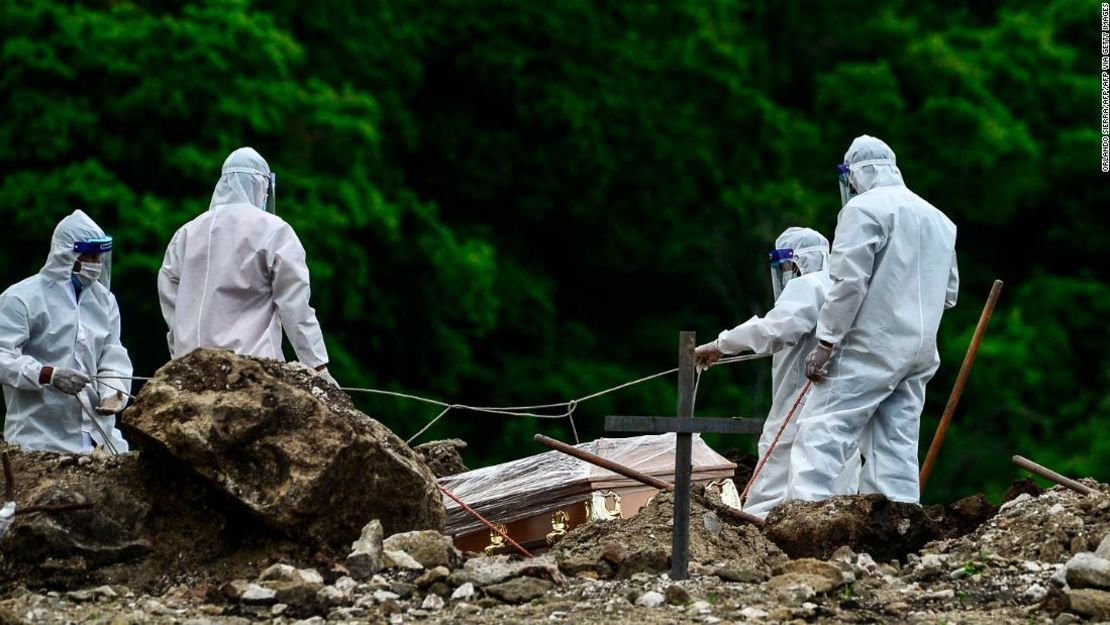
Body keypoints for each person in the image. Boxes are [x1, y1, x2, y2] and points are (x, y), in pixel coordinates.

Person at [787, 134, 959, 505]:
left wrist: (827, 341)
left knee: (822, 433)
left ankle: (803, 532)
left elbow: (848, 282)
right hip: (920, 351)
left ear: (854, 174)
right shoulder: (940, 220)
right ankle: (895, 536)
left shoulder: (863, 210)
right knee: (895, 447)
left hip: (870, 346)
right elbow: (949, 294)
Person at [694, 227, 859, 518]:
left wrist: (722, 344)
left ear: (795, 263)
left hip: (798, 407)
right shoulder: (844, 285)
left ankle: (757, 544)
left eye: (785, 266)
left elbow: (776, 329)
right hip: (842, 406)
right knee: (838, 484)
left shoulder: (807, 286)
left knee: (770, 488)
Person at [158, 147, 335, 384]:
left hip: (194, 370)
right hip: (255, 371)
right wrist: (317, 365)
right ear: (262, 187)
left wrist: (179, 354)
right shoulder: (275, 231)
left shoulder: (186, 234)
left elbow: (171, 304)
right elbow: (295, 305)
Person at [0, 210, 132, 453]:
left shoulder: (104, 301)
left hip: (100, 440)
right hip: (38, 440)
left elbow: (112, 354)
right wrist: (47, 374)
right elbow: (2, 357)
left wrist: (113, 391)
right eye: (89, 256)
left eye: (99, 257)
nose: (96, 264)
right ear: (67, 254)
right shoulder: (21, 299)